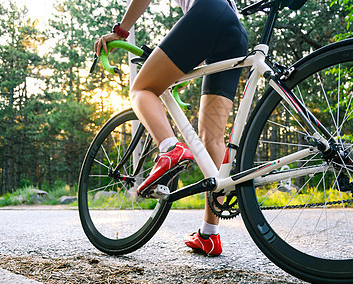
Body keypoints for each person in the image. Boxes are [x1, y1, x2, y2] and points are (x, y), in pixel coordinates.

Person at [94, 0, 248, 256]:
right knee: (212, 138)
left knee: (141, 89)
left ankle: (169, 148)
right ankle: (209, 234)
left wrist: (120, 32)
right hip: (234, 31)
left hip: (208, 12)